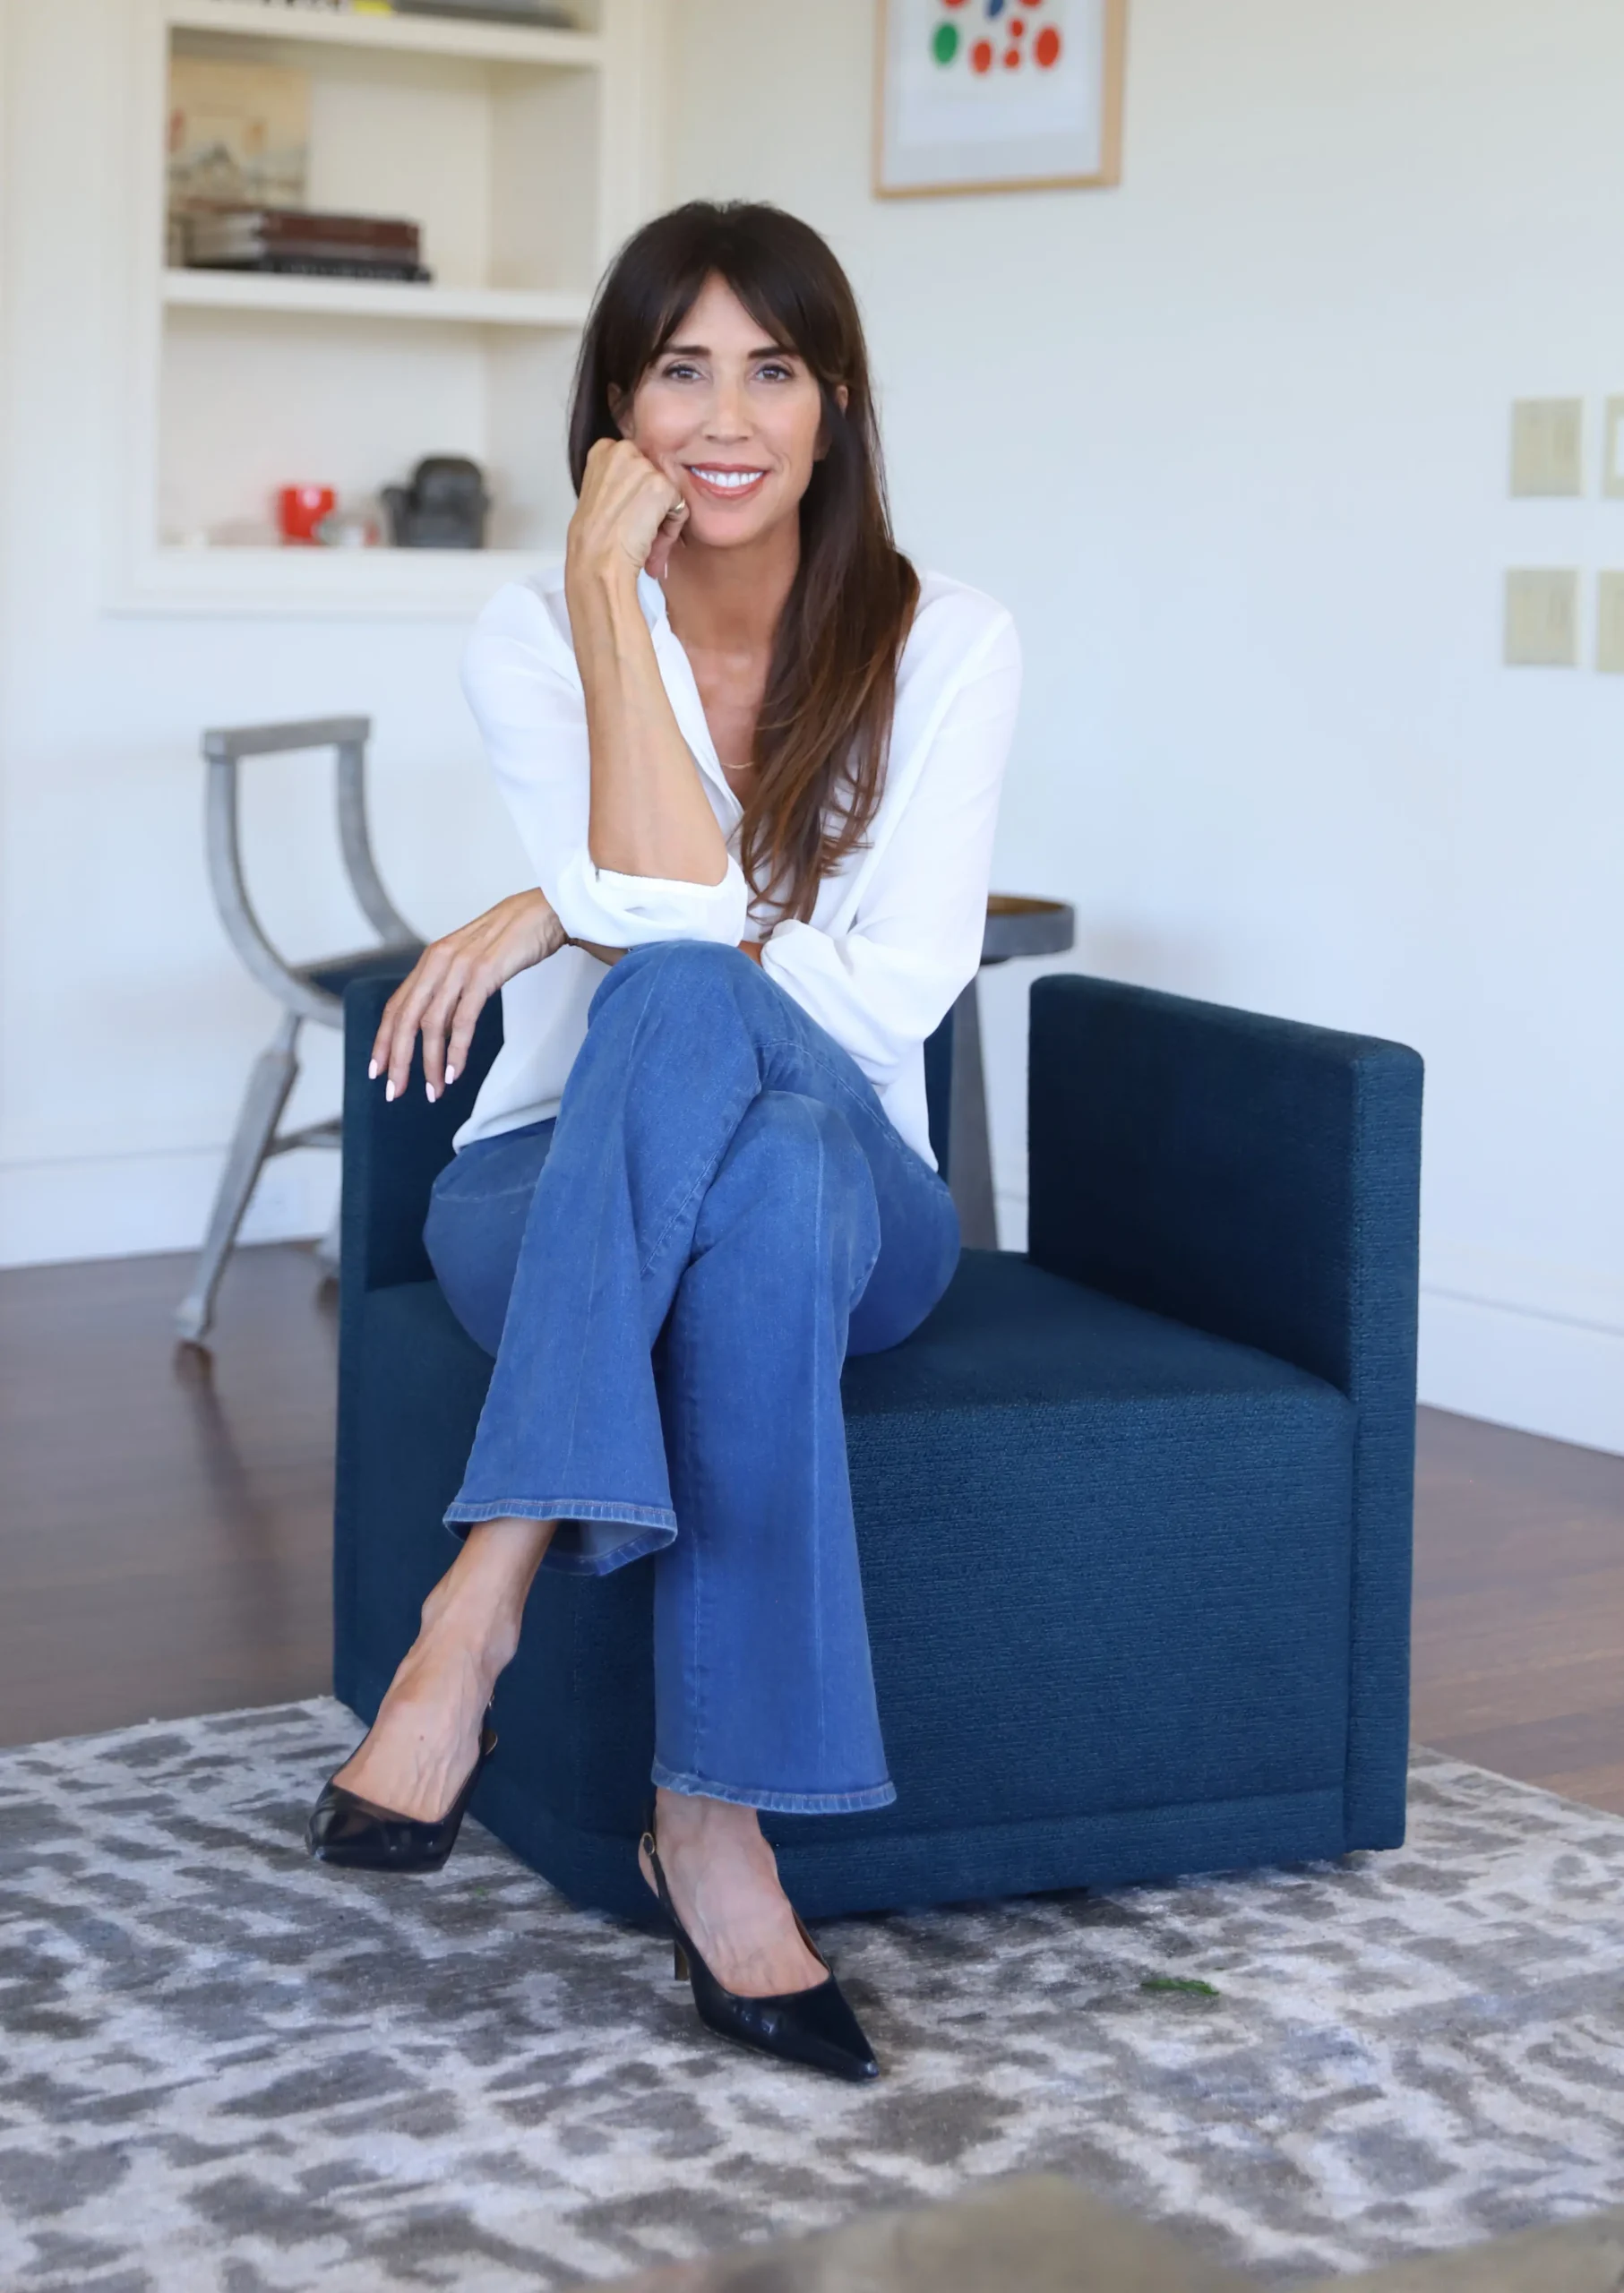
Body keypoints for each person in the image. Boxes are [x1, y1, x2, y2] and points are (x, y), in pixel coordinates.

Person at [305, 201, 1021, 2083]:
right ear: (615, 411)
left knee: (723, 1041)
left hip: (880, 1196)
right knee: (747, 1169)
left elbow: (890, 999)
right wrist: (609, 619)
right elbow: (665, 896)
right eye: (680, 367)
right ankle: (712, 1826)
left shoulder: (951, 643)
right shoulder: (525, 631)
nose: (729, 414)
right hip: (544, 1182)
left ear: (836, 401)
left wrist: (560, 910)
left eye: (772, 368)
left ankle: (478, 1598)